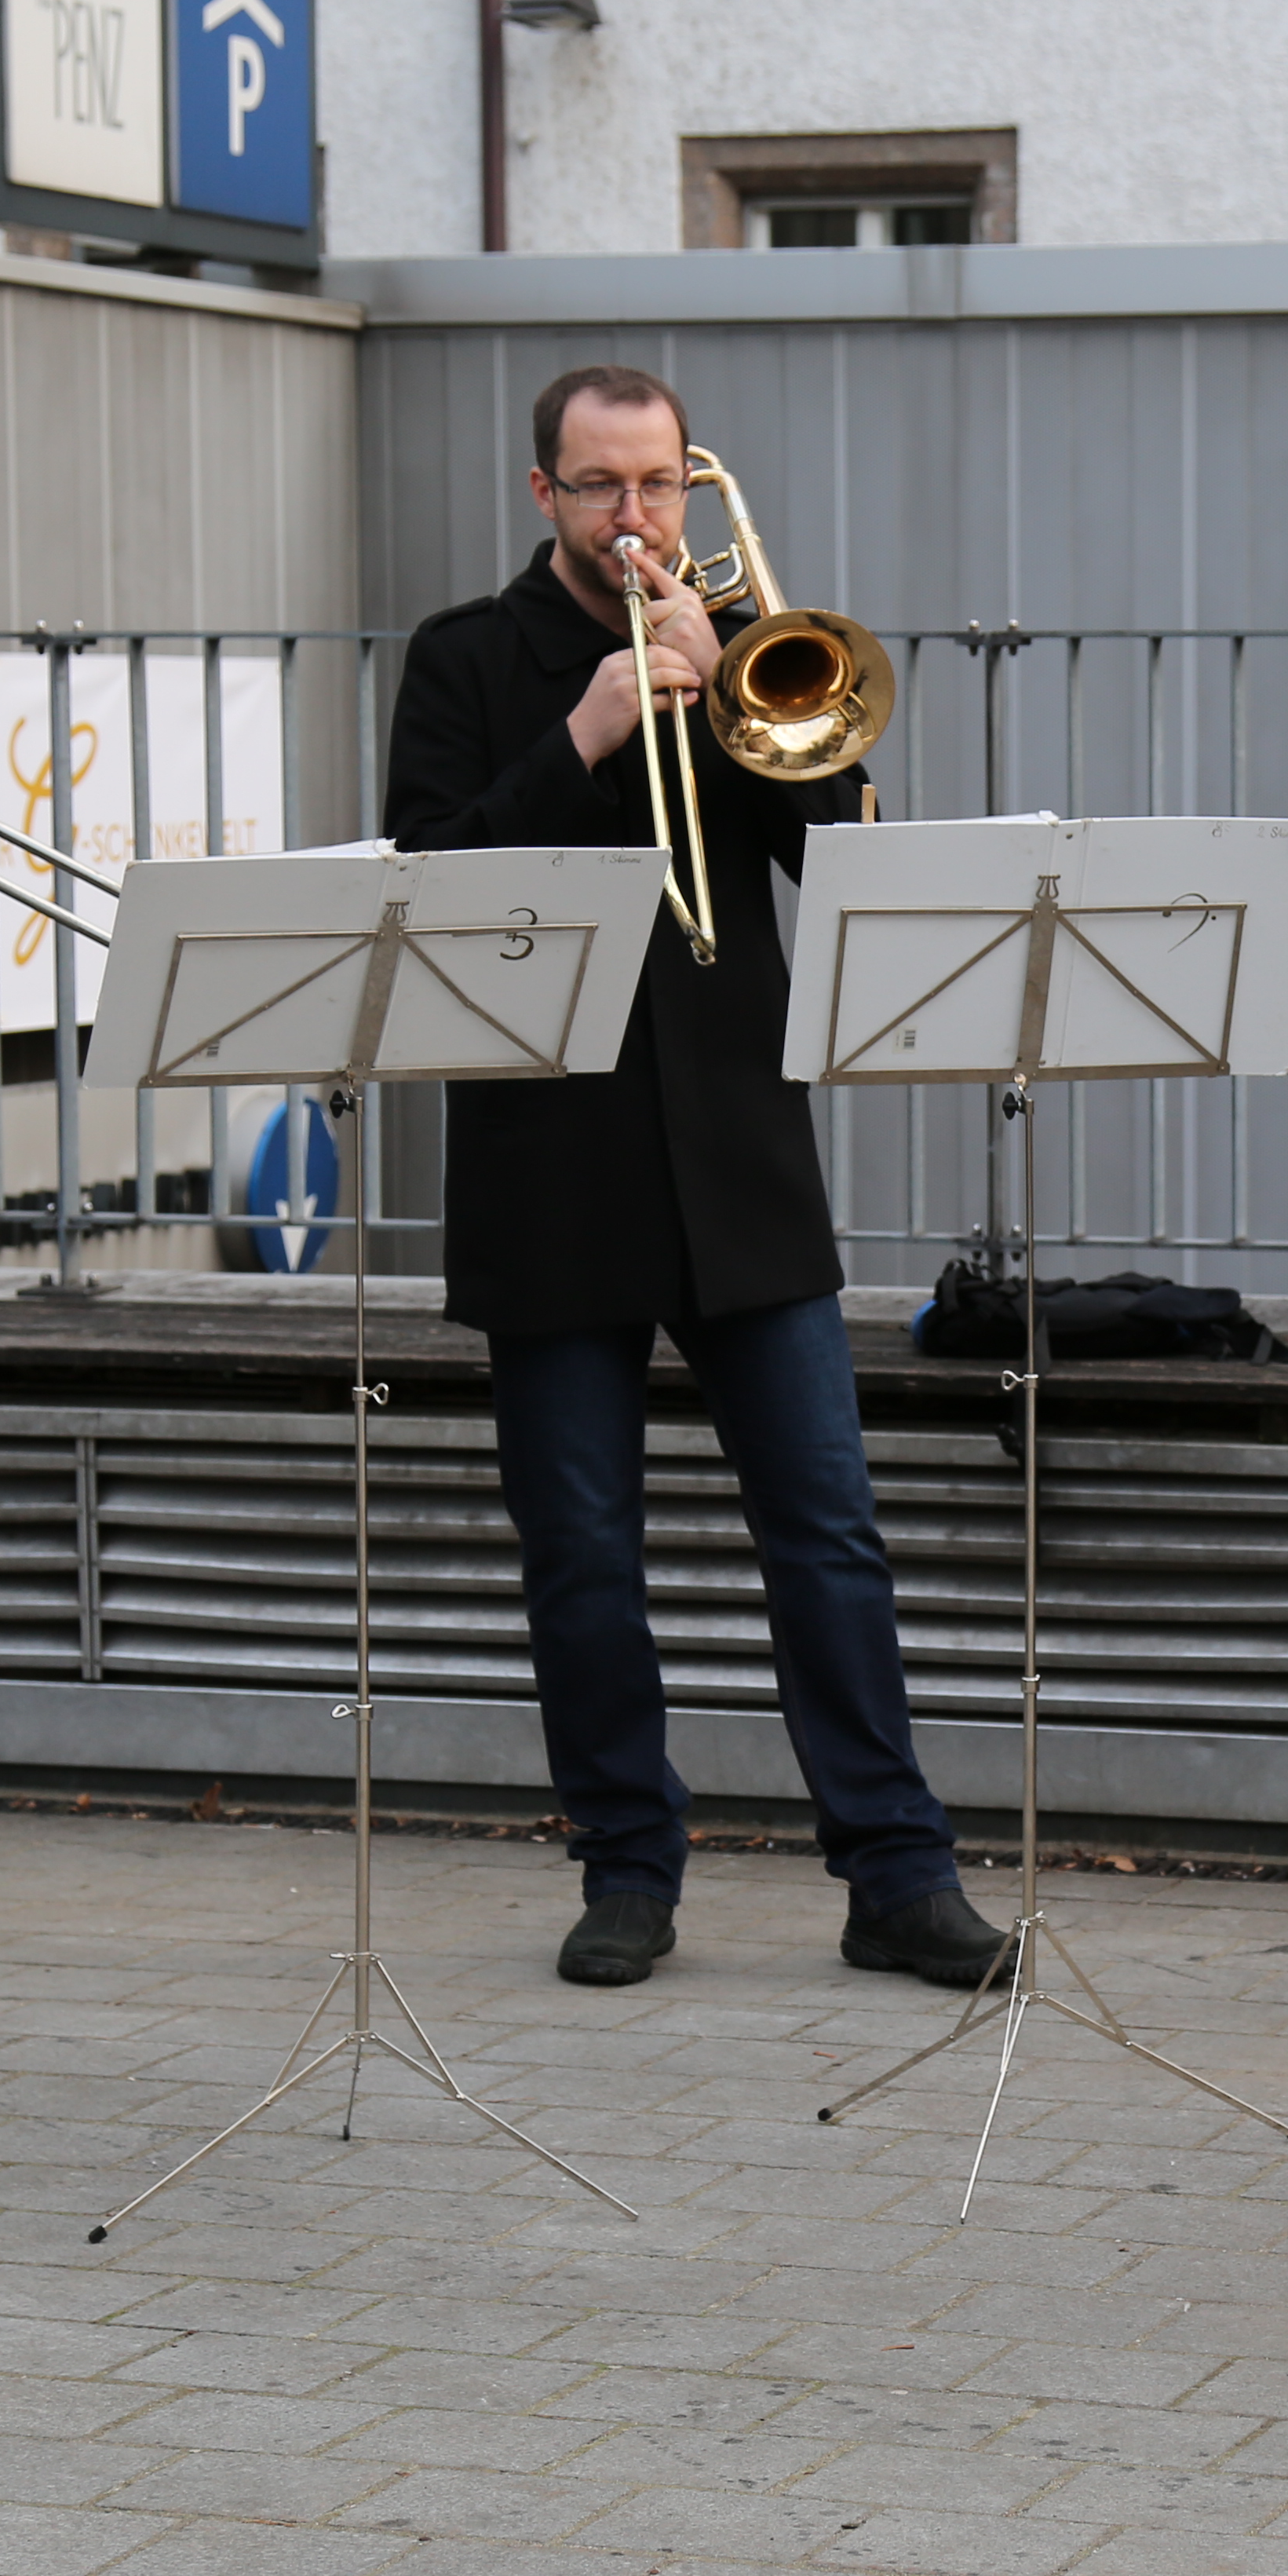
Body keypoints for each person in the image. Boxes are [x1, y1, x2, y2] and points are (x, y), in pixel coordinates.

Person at [382, 364, 1006, 1993]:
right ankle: (627, 1868)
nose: (637, 519)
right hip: (551, 1161)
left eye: (659, 484)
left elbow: (846, 849)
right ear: (545, 497)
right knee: (581, 1548)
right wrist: (590, 729)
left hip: (739, 1157)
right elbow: (435, 887)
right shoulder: (465, 660)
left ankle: (897, 1872)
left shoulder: (731, 647)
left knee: (829, 1532)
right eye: (601, 488)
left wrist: (741, 693)